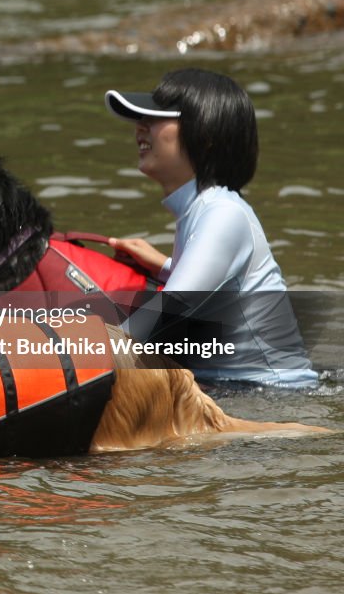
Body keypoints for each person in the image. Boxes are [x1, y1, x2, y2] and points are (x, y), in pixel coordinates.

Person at [104, 68, 317, 387]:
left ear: (205, 138)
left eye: (156, 117)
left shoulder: (222, 214)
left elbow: (165, 315)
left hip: (271, 396)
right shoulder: (203, 210)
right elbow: (222, 291)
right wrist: (165, 266)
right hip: (234, 390)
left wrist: (62, 349)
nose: (140, 127)